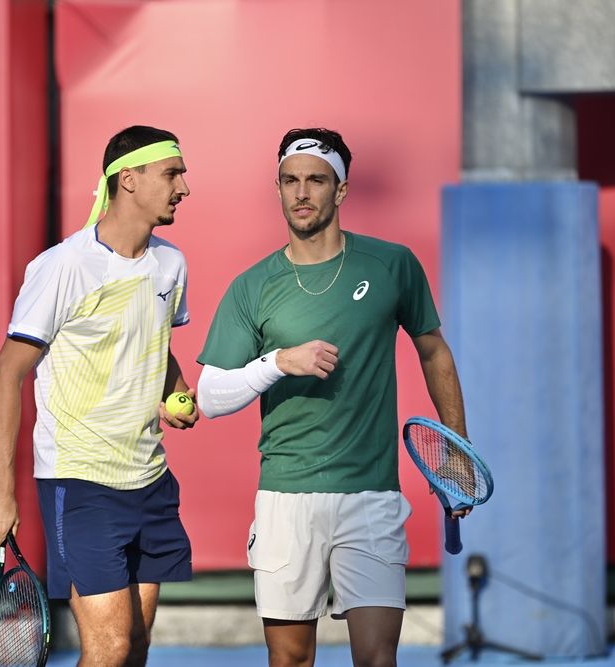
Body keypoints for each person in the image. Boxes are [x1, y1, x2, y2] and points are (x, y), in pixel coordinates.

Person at [196, 128, 469, 667]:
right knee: (291, 661)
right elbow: (209, 397)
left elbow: (433, 349)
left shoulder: (393, 265)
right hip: (284, 499)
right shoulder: (252, 287)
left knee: (376, 659)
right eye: (290, 181)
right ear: (278, 188)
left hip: (370, 497)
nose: (301, 193)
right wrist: (278, 363)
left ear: (340, 191)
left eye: (316, 180)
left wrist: (456, 447)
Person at [0, 125, 199, 667]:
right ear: (129, 179)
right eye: (173, 173)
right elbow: (6, 375)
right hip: (81, 481)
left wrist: (175, 389)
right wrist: (1, 490)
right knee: (108, 649)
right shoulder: (62, 266)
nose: (184, 188)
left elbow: (156, 344)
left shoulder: (170, 264)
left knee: (137, 648)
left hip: (149, 478)